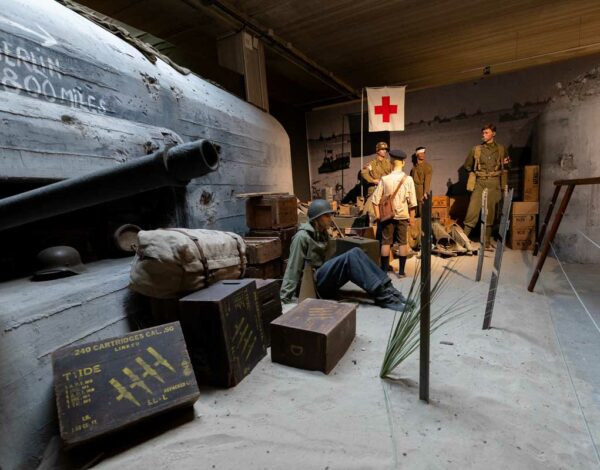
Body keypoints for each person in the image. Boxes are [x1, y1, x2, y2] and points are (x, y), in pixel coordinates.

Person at [280, 199, 407, 310]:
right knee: (351, 256)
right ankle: (383, 296)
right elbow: (293, 267)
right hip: (313, 285)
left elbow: (330, 257)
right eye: (327, 216)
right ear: (317, 218)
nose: (331, 219)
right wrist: (285, 297)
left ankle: (388, 288)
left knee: (356, 251)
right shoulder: (302, 237)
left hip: (323, 277)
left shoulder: (323, 234)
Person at [463, 124, 510, 249]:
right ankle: (463, 240)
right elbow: (467, 165)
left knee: (491, 213)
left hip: (494, 183)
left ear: (493, 133)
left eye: (486, 132)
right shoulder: (476, 149)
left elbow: (507, 166)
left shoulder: (501, 149)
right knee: (472, 211)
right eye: (483, 132)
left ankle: (486, 242)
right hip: (480, 182)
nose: (483, 135)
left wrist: (505, 164)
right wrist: (475, 175)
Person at [371, 149, 417, 278]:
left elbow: (375, 200)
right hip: (402, 216)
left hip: (387, 217)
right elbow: (412, 203)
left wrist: (379, 216)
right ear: (402, 162)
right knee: (403, 243)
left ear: (391, 162)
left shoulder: (385, 179)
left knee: (385, 243)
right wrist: (412, 219)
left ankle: (384, 272)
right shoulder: (408, 179)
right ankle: (401, 272)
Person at [410, 146, 433, 217]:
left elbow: (427, 180)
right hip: (414, 190)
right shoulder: (413, 168)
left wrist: (425, 192)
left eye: (424, 153)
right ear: (417, 154)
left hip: (421, 190)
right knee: (414, 210)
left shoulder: (427, 167)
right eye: (420, 153)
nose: (423, 154)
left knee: (421, 211)